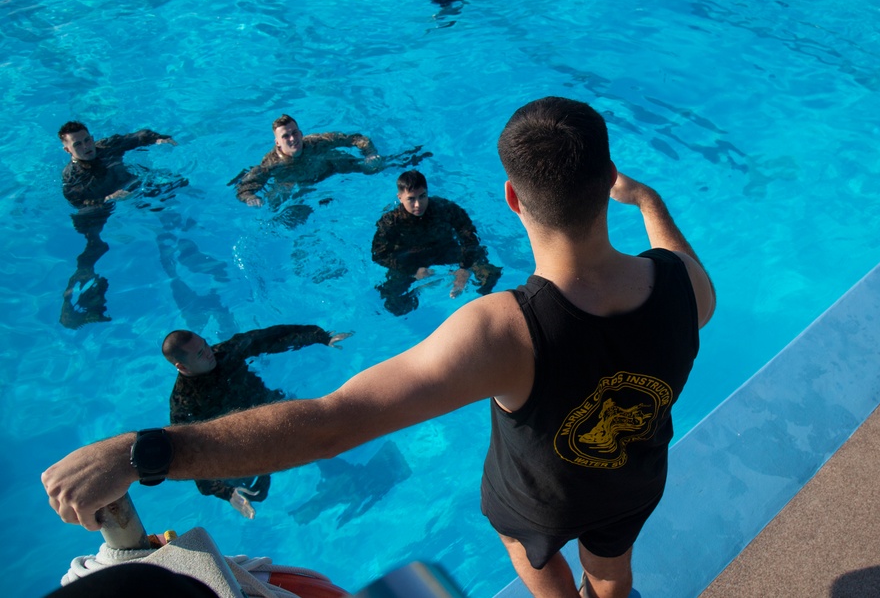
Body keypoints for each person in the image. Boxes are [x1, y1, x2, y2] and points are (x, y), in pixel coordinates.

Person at [43, 97, 715, 598]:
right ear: (609, 183)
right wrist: (650, 199)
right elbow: (670, 249)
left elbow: (334, 422)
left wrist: (145, 451)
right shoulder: (685, 283)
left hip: (540, 504)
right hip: (634, 480)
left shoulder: (505, 329)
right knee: (612, 570)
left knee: (531, 555)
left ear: (512, 198)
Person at [162, 325, 353, 519]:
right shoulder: (184, 403)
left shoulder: (225, 352)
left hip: (269, 406)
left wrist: (320, 337)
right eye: (201, 353)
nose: (209, 352)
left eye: (205, 344)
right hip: (243, 436)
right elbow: (188, 454)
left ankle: (337, 475)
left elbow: (269, 337)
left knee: (316, 431)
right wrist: (225, 493)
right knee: (257, 492)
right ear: (182, 366)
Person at [58, 121, 180, 329]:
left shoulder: (106, 147)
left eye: (88, 140)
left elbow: (137, 135)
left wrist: (158, 138)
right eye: (78, 145)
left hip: (130, 188)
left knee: (178, 187)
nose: (87, 147)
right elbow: (76, 200)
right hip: (100, 206)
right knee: (94, 247)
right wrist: (106, 200)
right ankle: (72, 305)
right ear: (67, 149)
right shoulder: (72, 176)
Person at [371, 170, 502, 315]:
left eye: (422, 197)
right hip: (411, 258)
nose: (417, 204)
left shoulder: (443, 208)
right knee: (393, 302)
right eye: (411, 199)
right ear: (400, 197)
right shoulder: (391, 222)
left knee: (490, 273)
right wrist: (413, 270)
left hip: (444, 249)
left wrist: (465, 267)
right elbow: (379, 254)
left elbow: (468, 234)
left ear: (427, 192)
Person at [235, 114, 382, 208]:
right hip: (295, 185)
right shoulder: (271, 164)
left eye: (294, 133)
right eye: (286, 136)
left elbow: (356, 139)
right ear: (277, 143)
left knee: (375, 167)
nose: (293, 139)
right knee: (276, 203)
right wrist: (250, 198)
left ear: (300, 133)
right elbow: (244, 188)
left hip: (328, 170)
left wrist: (370, 154)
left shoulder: (316, 143)